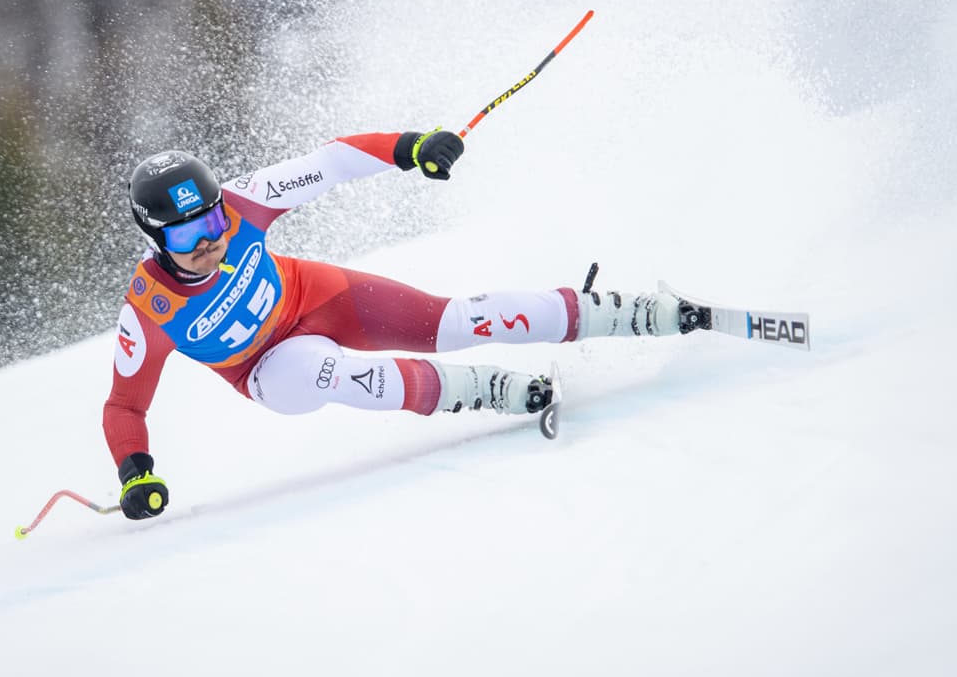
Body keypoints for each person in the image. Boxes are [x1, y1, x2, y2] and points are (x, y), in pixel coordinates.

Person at [103, 128, 705, 519]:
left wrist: (409, 148)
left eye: (211, 223)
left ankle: (631, 313)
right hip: (268, 369)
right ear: (155, 237)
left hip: (319, 297)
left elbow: (329, 164)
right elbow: (125, 407)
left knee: (457, 318)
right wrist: (136, 474)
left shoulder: (242, 204)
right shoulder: (148, 310)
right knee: (318, 371)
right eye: (187, 235)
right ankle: (487, 389)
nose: (210, 241)